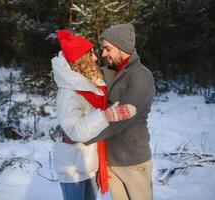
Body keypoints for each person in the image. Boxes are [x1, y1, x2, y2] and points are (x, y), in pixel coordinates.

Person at [51, 29, 136, 200]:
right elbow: (75, 130)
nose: (96, 58)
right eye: (91, 54)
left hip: (90, 162)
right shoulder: (69, 92)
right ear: (80, 60)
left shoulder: (92, 85)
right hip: (73, 166)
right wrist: (106, 116)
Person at [85, 24, 155, 200]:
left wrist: (81, 136)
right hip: (112, 161)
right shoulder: (111, 72)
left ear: (123, 48)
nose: (103, 54)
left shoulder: (140, 75)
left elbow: (122, 117)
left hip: (133, 162)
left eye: (107, 49)